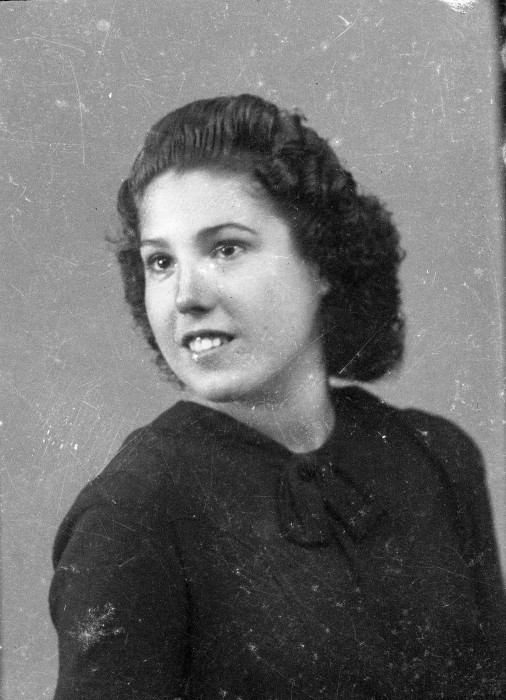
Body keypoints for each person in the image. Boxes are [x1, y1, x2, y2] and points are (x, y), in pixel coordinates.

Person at [49, 94, 506, 699]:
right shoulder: (132, 517)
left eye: (226, 249)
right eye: (160, 262)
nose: (186, 296)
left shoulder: (435, 458)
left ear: (321, 261)